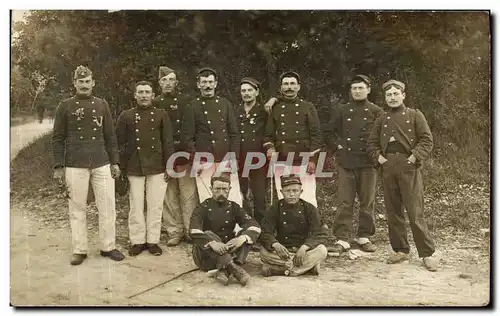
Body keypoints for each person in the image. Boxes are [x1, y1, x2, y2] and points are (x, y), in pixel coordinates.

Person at [52, 65, 125, 265]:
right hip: (75, 163)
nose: (84, 85)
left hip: (101, 161)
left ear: (93, 83)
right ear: (74, 83)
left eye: (87, 82)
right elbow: (57, 138)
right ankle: (79, 249)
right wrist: (58, 166)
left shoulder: (102, 105)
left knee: (108, 206)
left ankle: (108, 246)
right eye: (80, 82)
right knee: (77, 207)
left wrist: (115, 162)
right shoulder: (65, 106)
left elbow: (110, 136)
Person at [367, 79, 438, 271]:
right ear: (385, 98)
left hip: (409, 166)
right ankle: (400, 250)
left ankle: (427, 253)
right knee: (393, 211)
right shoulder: (381, 119)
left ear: (403, 95)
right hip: (388, 167)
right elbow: (371, 143)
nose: (392, 97)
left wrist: (414, 158)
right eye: (389, 95)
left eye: (396, 94)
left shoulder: (415, 115)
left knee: (415, 211)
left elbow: (426, 140)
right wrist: (380, 159)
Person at [324, 74, 384, 256]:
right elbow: (328, 132)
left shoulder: (376, 111)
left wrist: (377, 155)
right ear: (350, 91)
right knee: (345, 201)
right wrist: (337, 148)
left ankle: (364, 236)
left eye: (361, 88)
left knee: (367, 201)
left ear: (368, 90)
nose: (357, 91)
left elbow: (383, 135)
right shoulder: (342, 110)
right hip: (347, 162)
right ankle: (342, 238)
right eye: (354, 88)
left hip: (368, 163)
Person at [116, 80, 174, 256]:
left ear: (153, 95)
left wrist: (169, 166)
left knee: (156, 205)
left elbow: (168, 142)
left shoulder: (161, 114)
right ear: (135, 95)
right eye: (140, 92)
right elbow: (119, 142)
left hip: (157, 166)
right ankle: (137, 241)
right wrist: (121, 165)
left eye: (147, 92)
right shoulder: (126, 116)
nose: (143, 95)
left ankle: (153, 241)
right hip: (135, 166)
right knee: (136, 205)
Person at [182, 67, 242, 206]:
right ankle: (210, 227)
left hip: (225, 158)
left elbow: (234, 134)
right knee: (207, 196)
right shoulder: (192, 106)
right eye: (204, 82)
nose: (207, 86)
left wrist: (233, 158)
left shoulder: (225, 104)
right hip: (204, 160)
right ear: (198, 85)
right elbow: (187, 137)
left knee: (232, 195)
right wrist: (195, 159)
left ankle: (237, 227)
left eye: (210, 82)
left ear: (215, 83)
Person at [152, 66, 198, 246]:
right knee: (169, 195)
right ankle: (174, 231)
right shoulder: (155, 103)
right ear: (159, 83)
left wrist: (192, 152)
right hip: (165, 156)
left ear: (176, 83)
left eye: (171, 80)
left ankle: (190, 230)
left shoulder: (187, 101)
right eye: (164, 80)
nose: (168, 83)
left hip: (184, 154)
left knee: (188, 194)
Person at [263, 71, 323, 207]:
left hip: (303, 159)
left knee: (307, 197)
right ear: (281, 87)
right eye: (286, 84)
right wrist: (270, 148)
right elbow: (268, 135)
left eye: (292, 84)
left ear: (298, 87)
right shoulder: (275, 108)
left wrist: (313, 160)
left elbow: (316, 135)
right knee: (283, 197)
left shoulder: (308, 107)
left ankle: (311, 227)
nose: (289, 87)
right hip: (282, 159)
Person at [189, 173, 262, 286]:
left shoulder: (234, 207)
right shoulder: (202, 207)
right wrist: (212, 243)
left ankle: (226, 269)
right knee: (208, 233)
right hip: (207, 256)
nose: (221, 193)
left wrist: (242, 238)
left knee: (246, 235)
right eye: (217, 189)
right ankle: (233, 268)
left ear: (229, 189)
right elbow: (194, 230)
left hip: (228, 248)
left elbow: (254, 225)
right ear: (211, 189)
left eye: (225, 189)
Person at [259, 174, 328, 276]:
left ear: (301, 192)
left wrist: (304, 247)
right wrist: (275, 244)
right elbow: (265, 232)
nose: (291, 194)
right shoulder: (274, 208)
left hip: (304, 251)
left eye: (295, 191)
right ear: (282, 192)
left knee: (322, 250)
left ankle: (279, 270)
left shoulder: (309, 208)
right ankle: (306, 268)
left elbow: (320, 233)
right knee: (263, 252)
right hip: (282, 251)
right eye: (288, 191)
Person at [237, 77, 268, 224]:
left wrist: (273, 99)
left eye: (250, 90)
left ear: (257, 92)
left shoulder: (265, 110)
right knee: (241, 194)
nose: (246, 93)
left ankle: (262, 229)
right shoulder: (236, 111)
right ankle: (247, 227)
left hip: (258, 159)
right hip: (240, 159)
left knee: (259, 195)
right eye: (243, 90)